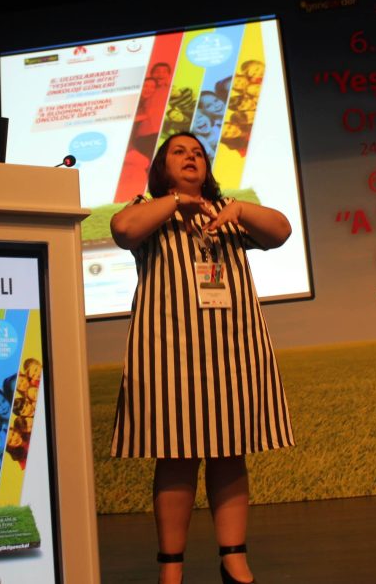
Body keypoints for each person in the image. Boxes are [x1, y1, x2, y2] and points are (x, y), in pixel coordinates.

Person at [110, 132, 294, 584]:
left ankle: (234, 559)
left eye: (197, 153)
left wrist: (240, 209)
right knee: (176, 457)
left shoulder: (227, 212)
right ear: (162, 167)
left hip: (233, 350)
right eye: (180, 152)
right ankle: (171, 569)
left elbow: (281, 231)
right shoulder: (149, 207)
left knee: (230, 453)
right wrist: (177, 202)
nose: (191, 157)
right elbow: (123, 230)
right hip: (170, 355)